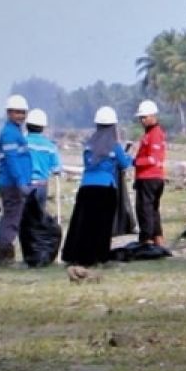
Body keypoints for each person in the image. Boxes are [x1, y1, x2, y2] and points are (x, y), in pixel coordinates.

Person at [61, 106, 134, 266]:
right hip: (106, 188)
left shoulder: (89, 144)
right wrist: (129, 158)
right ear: (113, 126)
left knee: (83, 223)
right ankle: (99, 257)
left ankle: (76, 255)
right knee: (102, 224)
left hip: (86, 187)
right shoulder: (115, 145)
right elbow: (124, 164)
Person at [0, 94, 34, 266]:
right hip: (12, 184)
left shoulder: (15, 132)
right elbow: (12, 160)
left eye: (23, 113)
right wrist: (21, 182)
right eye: (17, 112)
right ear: (8, 113)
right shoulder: (8, 134)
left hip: (13, 182)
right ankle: (5, 257)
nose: (21, 116)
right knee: (11, 220)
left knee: (12, 218)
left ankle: (6, 256)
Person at [132, 100, 167, 247]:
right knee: (152, 210)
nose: (142, 120)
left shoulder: (155, 134)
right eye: (141, 118)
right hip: (149, 177)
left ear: (153, 116)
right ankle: (157, 237)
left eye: (144, 117)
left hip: (150, 177)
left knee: (144, 209)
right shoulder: (150, 133)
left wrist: (136, 162)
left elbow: (153, 158)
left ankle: (146, 239)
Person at [24, 108, 62, 209]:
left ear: (27, 126)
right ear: (43, 127)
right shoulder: (50, 147)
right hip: (41, 186)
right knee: (39, 217)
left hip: (24, 185)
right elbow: (57, 169)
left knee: (22, 217)